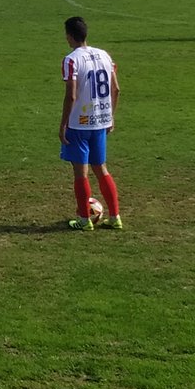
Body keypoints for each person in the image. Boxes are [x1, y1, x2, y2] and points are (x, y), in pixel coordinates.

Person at [60, 16, 122, 231]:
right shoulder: (105, 55)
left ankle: (85, 220)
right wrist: (110, 116)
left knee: (81, 173)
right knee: (102, 169)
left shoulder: (71, 60)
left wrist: (63, 124)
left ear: (69, 35)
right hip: (100, 121)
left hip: (79, 124)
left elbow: (71, 96)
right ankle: (115, 217)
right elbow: (116, 89)